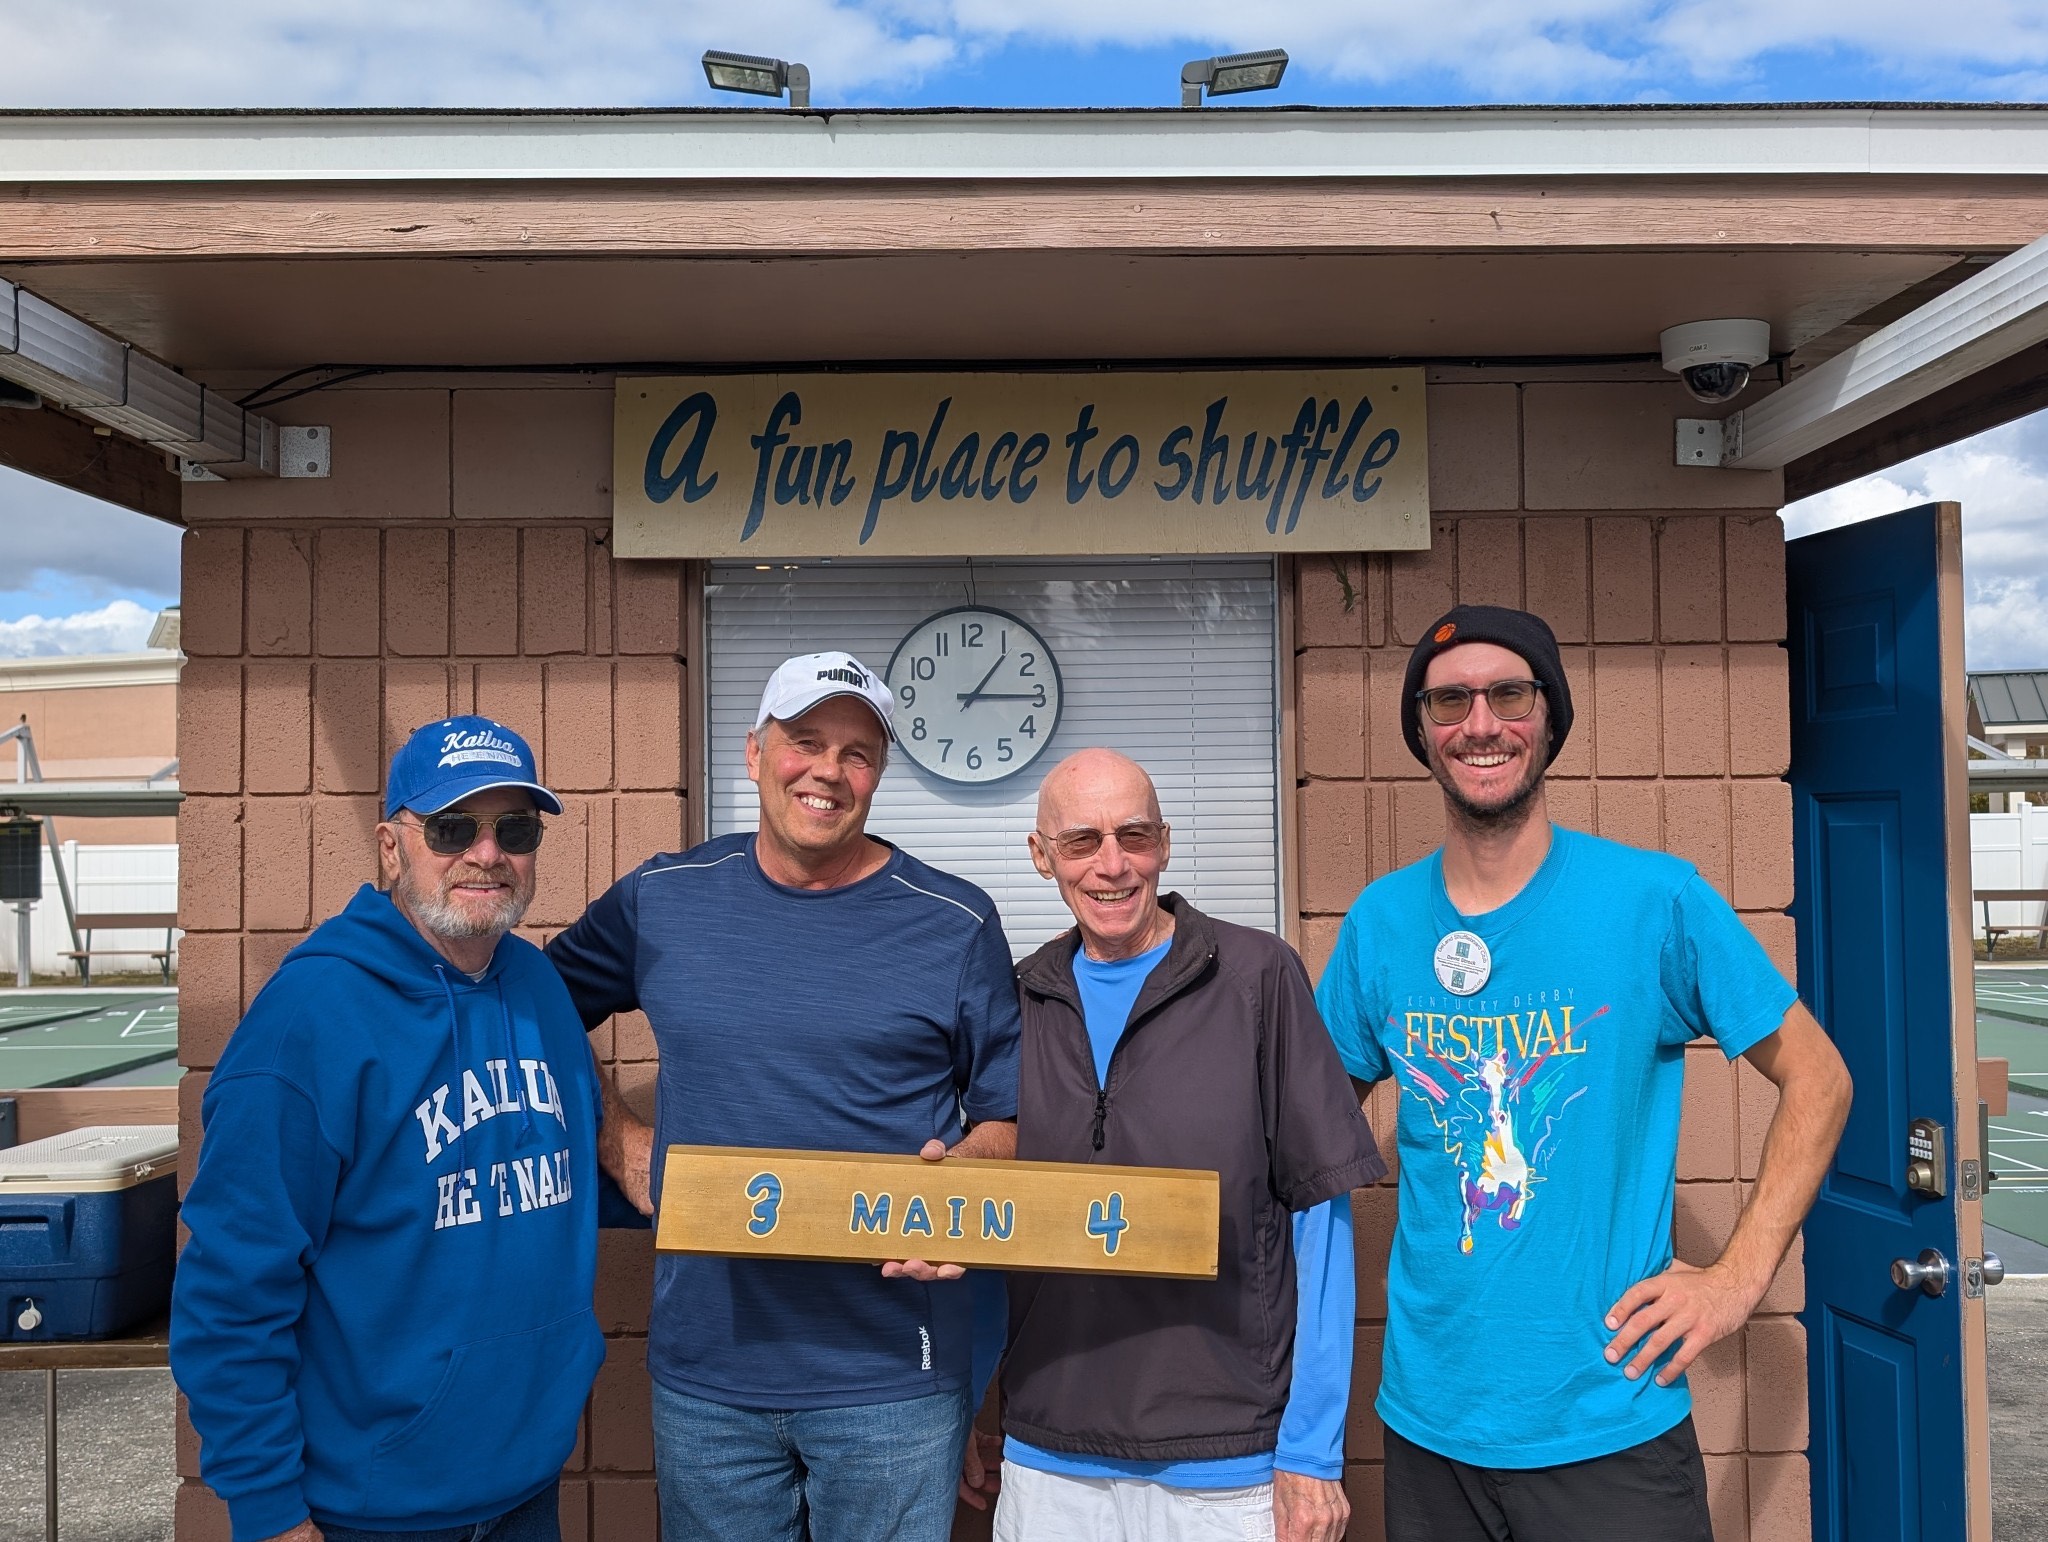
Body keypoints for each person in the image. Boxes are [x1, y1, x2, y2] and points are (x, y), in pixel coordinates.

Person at [1315, 605, 1853, 1542]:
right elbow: (1308, 1132)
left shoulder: (1655, 900)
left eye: (1509, 695)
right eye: (1449, 702)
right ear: (1423, 732)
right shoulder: (1380, 923)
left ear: (1550, 717)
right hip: (1429, 1427)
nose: (1480, 724)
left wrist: (1736, 1280)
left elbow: (1820, 1078)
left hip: (1610, 1423)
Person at [545, 649, 1021, 1542]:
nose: (828, 772)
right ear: (755, 752)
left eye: (857, 753)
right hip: (708, 1372)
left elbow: (1009, 1115)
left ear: (877, 775)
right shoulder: (664, 898)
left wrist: (958, 1185)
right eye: (805, 741)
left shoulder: (954, 921)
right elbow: (535, 1003)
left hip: (893, 1374)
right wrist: (616, 1138)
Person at [172, 716, 604, 1542]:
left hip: (525, 1488)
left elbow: (554, 1181)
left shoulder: (537, 988)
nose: (487, 854)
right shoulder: (308, 1024)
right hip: (372, 1511)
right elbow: (232, 1287)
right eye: (451, 828)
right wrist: (268, 1510)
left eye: (514, 830)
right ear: (390, 847)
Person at [961, 747, 1385, 1542]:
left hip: (1229, 1465)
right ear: (1041, 855)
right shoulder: (1020, 1000)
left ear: (1164, 843)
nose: (1112, 865)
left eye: (1135, 835)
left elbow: (1320, 1218)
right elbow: (992, 1226)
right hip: (1050, 1462)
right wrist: (968, 1408)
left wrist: (1312, 1451)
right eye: (1082, 841)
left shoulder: (1257, 978)